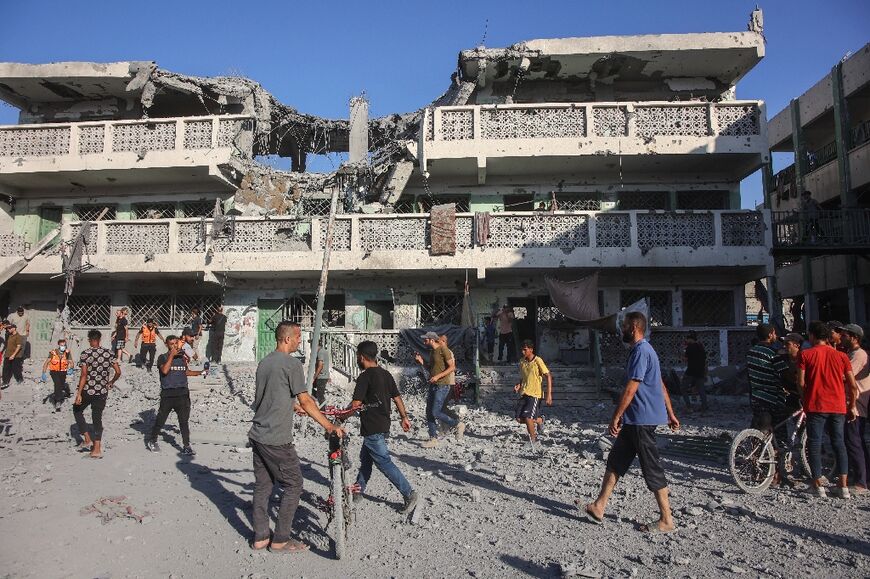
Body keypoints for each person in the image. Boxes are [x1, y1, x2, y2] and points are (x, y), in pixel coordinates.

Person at [249, 321, 344, 553]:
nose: (301, 341)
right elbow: (306, 400)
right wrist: (329, 425)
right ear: (287, 339)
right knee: (294, 484)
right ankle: (280, 539)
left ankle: (260, 537)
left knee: (263, 486)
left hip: (257, 434)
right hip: (276, 438)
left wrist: (290, 407)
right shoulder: (292, 364)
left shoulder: (265, 362)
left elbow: (267, 398)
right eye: (299, 337)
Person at [583, 312, 680, 533]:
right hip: (635, 419)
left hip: (641, 420)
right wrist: (671, 413)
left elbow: (632, 387)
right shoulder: (646, 351)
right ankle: (599, 506)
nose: (622, 330)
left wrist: (616, 415)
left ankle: (666, 519)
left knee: (651, 467)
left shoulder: (641, 351)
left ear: (634, 327)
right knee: (616, 461)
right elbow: (661, 385)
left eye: (625, 326)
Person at [349, 340, 418, 513]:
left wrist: (340, 417)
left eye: (358, 357)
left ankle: (409, 493)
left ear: (362, 357)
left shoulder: (365, 377)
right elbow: (397, 398)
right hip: (383, 424)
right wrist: (404, 418)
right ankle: (358, 491)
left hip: (372, 426)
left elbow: (355, 404)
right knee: (366, 460)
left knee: (383, 462)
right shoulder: (386, 374)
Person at [797, 320, 859, 499]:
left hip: (816, 405)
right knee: (839, 444)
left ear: (812, 336)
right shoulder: (842, 356)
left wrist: (804, 398)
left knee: (814, 444)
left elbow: (800, 382)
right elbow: (853, 385)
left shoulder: (806, 355)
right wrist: (852, 405)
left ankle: (817, 485)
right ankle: (843, 486)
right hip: (838, 406)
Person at [146, 335, 201, 455]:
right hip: (168, 395)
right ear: (167, 345)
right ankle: (153, 440)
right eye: (172, 344)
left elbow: (186, 371)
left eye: (176, 343)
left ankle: (187, 446)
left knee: (184, 422)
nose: (175, 346)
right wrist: (171, 355)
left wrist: (200, 372)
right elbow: (165, 371)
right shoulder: (162, 357)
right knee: (161, 420)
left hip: (182, 393)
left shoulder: (182, 358)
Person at [74, 329, 121, 459]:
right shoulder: (109, 353)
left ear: (90, 340)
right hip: (102, 391)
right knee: (97, 418)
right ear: (99, 339)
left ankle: (87, 438)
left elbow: (84, 375)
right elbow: (118, 371)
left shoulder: (86, 354)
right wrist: (111, 382)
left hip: (88, 390)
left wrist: (79, 393)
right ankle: (97, 449)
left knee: (77, 410)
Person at [415, 331, 465, 448]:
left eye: (426, 340)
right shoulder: (433, 352)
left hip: (443, 384)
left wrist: (437, 376)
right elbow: (431, 369)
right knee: (429, 412)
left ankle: (457, 424)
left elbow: (452, 367)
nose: (424, 342)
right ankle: (433, 438)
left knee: (436, 412)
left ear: (432, 340)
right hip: (434, 384)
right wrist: (421, 362)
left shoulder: (444, 350)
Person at [746, 323, 790, 441]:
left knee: (759, 429)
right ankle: (780, 455)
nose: (776, 335)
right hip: (773, 398)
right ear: (770, 335)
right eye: (774, 333)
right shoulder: (773, 353)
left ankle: (755, 453)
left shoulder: (751, 352)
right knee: (779, 430)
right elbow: (785, 374)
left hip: (756, 397)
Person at [839, 323, 869, 494]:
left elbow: (845, 376)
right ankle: (864, 478)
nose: (842, 338)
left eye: (845, 335)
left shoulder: (858, 355)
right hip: (852, 404)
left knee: (854, 442)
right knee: (856, 442)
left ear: (854, 338)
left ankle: (860, 482)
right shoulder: (851, 354)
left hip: (855, 406)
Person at [513, 339, 552, 452]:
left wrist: (549, 395)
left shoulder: (537, 361)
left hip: (535, 394)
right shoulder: (522, 361)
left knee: (528, 417)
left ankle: (533, 441)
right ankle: (539, 420)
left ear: (531, 349)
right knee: (519, 419)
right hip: (524, 392)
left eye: (525, 350)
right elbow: (524, 377)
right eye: (522, 349)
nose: (523, 352)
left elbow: (548, 376)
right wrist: (519, 385)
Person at [42, 339, 73, 412]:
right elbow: (47, 362)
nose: (63, 346)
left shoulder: (67, 353)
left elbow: (71, 362)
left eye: (64, 345)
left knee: (61, 384)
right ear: (59, 345)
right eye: (61, 345)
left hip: (63, 372)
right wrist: (43, 373)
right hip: (54, 372)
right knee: (57, 384)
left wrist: (71, 368)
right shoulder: (53, 353)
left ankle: (65, 388)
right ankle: (58, 401)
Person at [681, 331, 708, 412]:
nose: (686, 340)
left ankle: (689, 407)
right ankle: (704, 407)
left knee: (683, 388)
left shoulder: (689, 348)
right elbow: (705, 360)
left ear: (690, 339)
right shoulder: (701, 346)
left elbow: (685, 359)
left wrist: (682, 354)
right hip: (700, 371)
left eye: (687, 339)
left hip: (691, 371)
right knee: (701, 389)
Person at [2, 323, 25, 389]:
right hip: (7, 355)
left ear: (14, 328)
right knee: (5, 369)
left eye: (9, 328)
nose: (8, 329)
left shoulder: (18, 336)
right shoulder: (8, 335)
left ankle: (20, 379)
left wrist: (13, 355)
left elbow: (19, 346)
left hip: (16, 356)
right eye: (7, 328)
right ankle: (5, 382)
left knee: (16, 368)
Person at [311, 340, 331, 406]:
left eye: (311, 344)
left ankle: (323, 410)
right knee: (309, 388)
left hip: (321, 377)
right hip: (322, 376)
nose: (311, 346)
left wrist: (314, 377)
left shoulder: (320, 352)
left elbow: (320, 365)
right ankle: (317, 403)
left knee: (320, 395)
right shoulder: (322, 351)